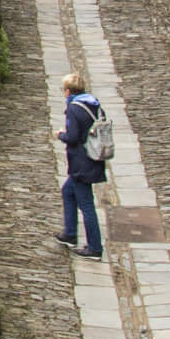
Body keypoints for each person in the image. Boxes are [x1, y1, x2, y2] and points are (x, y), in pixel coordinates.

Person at [56, 70, 106, 259]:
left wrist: (61, 135)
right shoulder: (94, 104)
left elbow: (73, 137)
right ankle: (69, 233)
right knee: (68, 191)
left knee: (86, 204)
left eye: (64, 89)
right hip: (93, 158)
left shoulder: (74, 109)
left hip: (81, 162)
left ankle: (94, 247)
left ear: (69, 91)